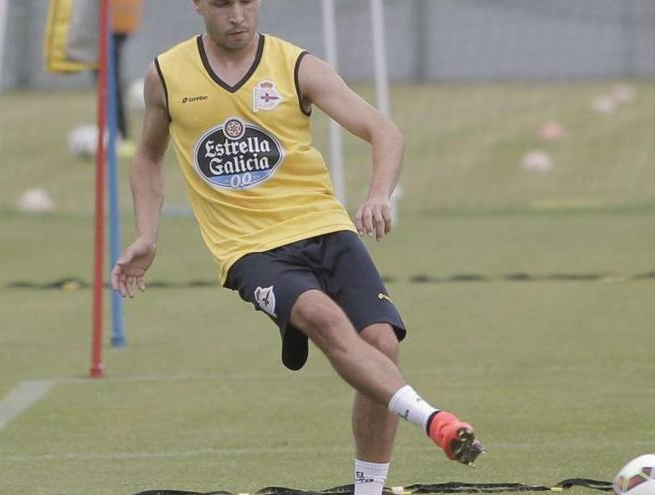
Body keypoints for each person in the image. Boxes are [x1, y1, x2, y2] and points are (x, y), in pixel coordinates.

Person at [110, 1, 484, 493]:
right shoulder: (165, 74)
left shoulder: (296, 65)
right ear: (198, 5)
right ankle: (435, 420)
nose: (238, 15)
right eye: (223, 4)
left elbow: (384, 132)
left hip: (324, 227)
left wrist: (377, 195)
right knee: (321, 315)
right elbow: (147, 158)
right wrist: (147, 234)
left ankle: (369, 490)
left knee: (382, 344)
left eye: (247, 1)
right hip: (248, 249)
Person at [111, 0, 143, 140]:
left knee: (110, 79)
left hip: (114, 21)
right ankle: (118, 132)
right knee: (110, 77)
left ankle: (119, 133)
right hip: (118, 20)